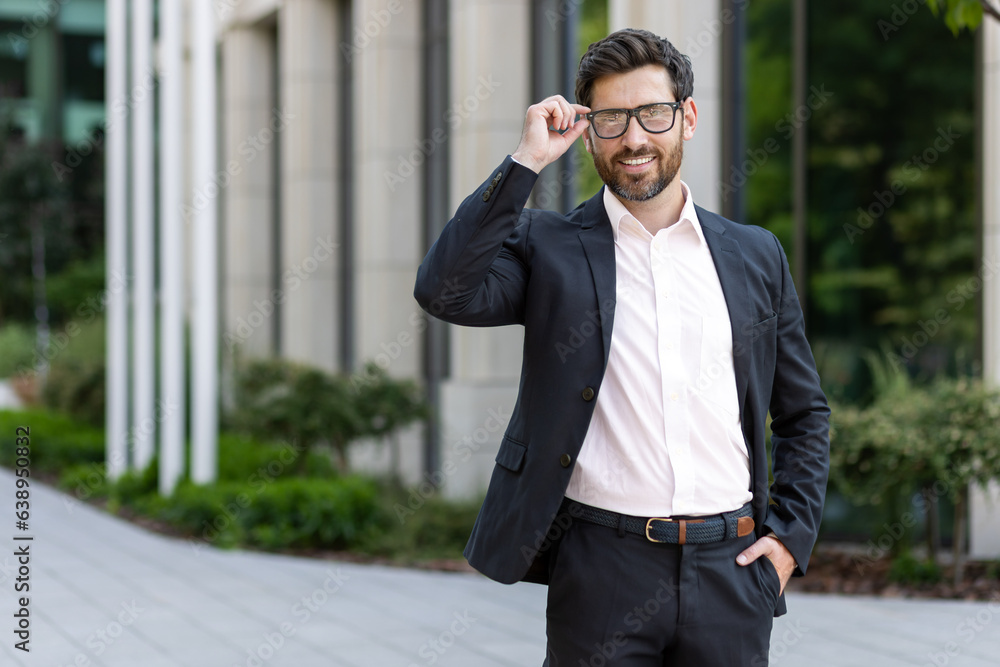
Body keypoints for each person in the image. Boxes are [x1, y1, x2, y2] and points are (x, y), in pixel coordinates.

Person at [414, 27, 829, 666]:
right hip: (603, 570)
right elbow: (445, 290)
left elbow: (802, 414)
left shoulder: (754, 255)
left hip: (733, 572)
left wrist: (787, 543)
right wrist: (524, 162)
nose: (634, 139)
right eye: (611, 120)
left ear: (687, 117)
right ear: (588, 131)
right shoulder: (549, 247)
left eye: (653, 115)